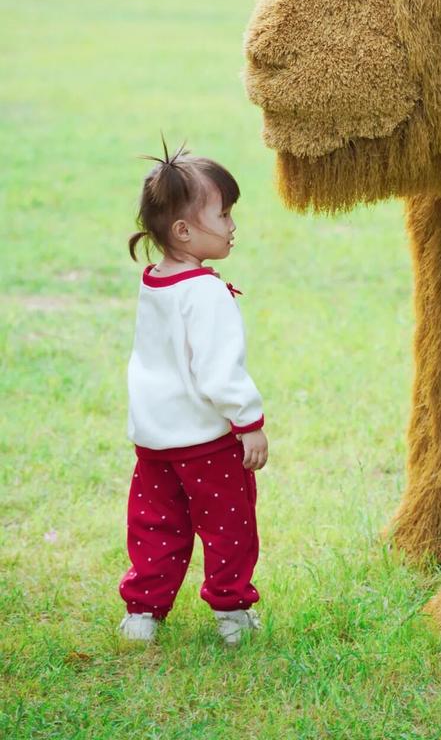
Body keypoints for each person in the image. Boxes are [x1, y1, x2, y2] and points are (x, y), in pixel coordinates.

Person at [118, 140, 268, 646]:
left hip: (154, 441)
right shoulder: (205, 292)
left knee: (155, 526)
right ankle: (232, 613)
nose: (232, 225)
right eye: (223, 215)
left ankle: (143, 613)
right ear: (183, 230)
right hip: (207, 443)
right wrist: (249, 423)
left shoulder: (154, 282)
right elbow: (218, 371)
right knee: (228, 529)